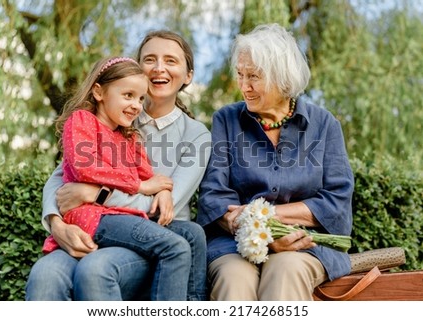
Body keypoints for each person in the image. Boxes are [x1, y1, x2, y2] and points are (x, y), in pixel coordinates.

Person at [26, 30, 211, 301]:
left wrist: (95, 194)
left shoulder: (197, 135)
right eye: (150, 59)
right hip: (90, 227)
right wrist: (56, 224)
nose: (159, 68)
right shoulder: (115, 114)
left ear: (188, 75)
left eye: (171, 61)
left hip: (153, 237)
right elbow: (60, 178)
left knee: (96, 269)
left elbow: (157, 210)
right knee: (45, 276)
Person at [197, 23, 354, 301]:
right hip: (236, 245)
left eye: (254, 77)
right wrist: (251, 232)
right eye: (240, 75)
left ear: (283, 78)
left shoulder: (324, 124)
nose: (244, 86)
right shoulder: (227, 119)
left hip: (304, 244)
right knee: (234, 278)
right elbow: (214, 195)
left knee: (285, 269)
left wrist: (263, 218)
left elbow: (336, 203)